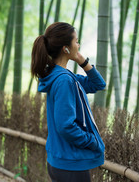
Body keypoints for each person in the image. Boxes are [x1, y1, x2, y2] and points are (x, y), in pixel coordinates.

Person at [31, 22, 106, 182]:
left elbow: (98, 84)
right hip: (70, 165)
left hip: (60, 161)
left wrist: (81, 60)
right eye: (76, 41)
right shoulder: (64, 80)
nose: (78, 45)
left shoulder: (59, 75)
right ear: (66, 48)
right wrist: (92, 141)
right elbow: (65, 125)